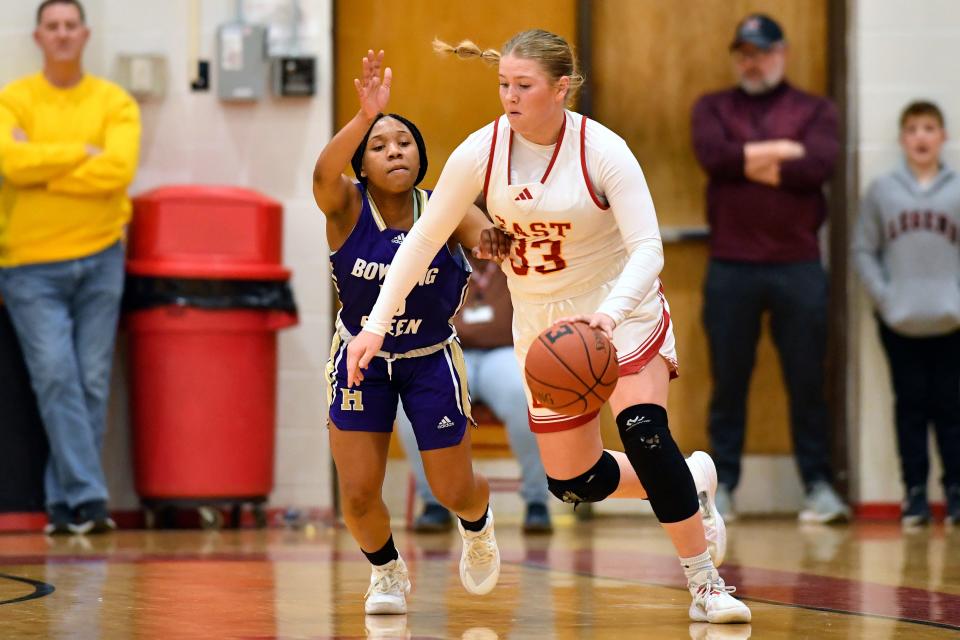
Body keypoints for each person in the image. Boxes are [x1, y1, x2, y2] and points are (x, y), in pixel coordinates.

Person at [347, 30, 751, 625]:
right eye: (503, 84)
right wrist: (375, 324)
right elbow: (423, 240)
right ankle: (689, 481)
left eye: (523, 86)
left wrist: (609, 316)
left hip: (621, 312)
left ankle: (705, 582)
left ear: (561, 88)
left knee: (643, 430)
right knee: (576, 481)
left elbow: (648, 250)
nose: (509, 97)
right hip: (544, 332)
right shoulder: (481, 151)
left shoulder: (602, 150)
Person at [314, 50, 510, 616]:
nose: (393, 149)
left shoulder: (443, 207)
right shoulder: (345, 206)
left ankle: (477, 525)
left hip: (429, 356)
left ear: (422, 156)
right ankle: (387, 572)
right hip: (360, 356)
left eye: (403, 141)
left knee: (452, 488)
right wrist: (362, 115)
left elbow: (484, 235)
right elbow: (323, 173)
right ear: (362, 163)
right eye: (378, 145)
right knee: (357, 492)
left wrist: (499, 238)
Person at [691, 13, 849, 524]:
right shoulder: (712, 107)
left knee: (807, 380)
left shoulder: (815, 109)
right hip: (731, 266)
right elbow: (714, 157)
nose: (751, 62)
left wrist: (746, 161)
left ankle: (819, 486)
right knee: (729, 382)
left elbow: (816, 167)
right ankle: (725, 488)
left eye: (760, 52)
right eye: (743, 53)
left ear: (781, 53)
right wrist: (781, 152)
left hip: (797, 266)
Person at [0, 0, 140, 535]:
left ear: (85, 34)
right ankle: (89, 500)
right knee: (56, 377)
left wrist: (42, 166)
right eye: (51, 26)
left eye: (69, 26)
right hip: (30, 266)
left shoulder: (115, 103)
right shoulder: (14, 99)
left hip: (101, 256)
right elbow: (10, 163)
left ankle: (63, 506)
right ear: (38, 36)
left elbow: (118, 171)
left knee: (91, 383)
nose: (61, 34)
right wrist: (80, 154)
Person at [852, 100, 960, 527]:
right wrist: (886, 298)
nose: (920, 136)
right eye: (912, 128)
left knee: (952, 410)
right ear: (901, 138)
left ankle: (955, 493)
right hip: (900, 320)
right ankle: (914, 493)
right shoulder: (882, 190)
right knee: (910, 407)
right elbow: (863, 249)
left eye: (929, 128)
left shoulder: (957, 188)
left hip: (951, 320)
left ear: (943, 137)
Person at [397, 252, 552, 534]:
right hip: (448, 352)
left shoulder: (515, 249)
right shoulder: (440, 248)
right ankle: (434, 502)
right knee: (412, 403)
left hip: (505, 352)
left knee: (524, 395)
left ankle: (537, 501)